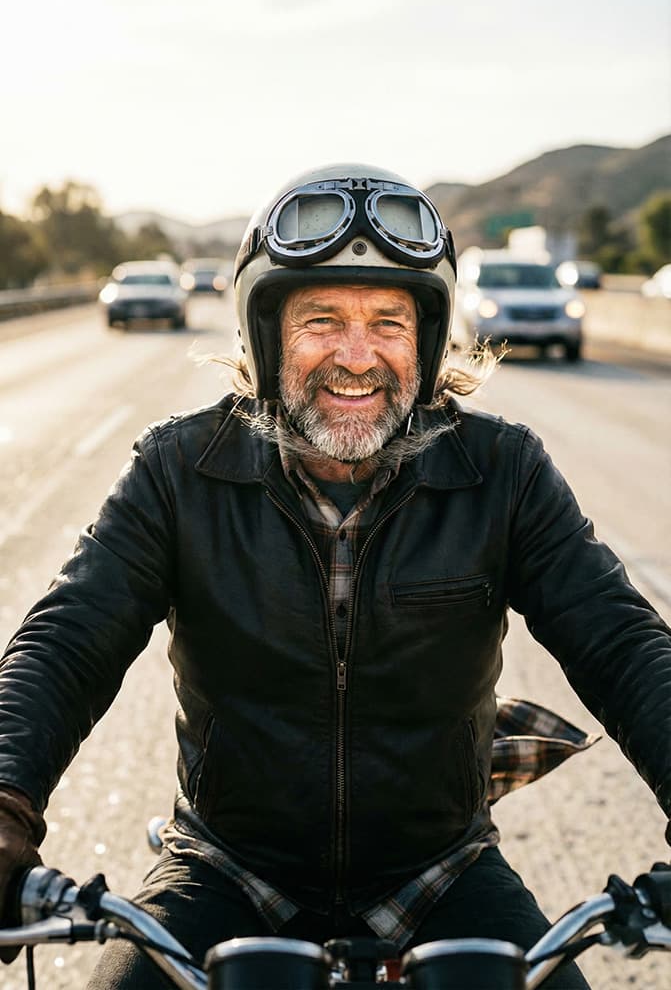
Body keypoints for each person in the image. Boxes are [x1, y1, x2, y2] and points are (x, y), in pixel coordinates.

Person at [0, 163, 669, 989]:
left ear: (425, 342)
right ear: (266, 336)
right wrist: (5, 801)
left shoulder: (503, 472)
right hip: (226, 867)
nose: (357, 357)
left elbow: (618, 639)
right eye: (321, 320)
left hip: (440, 872)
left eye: (388, 322)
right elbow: (68, 640)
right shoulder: (177, 470)